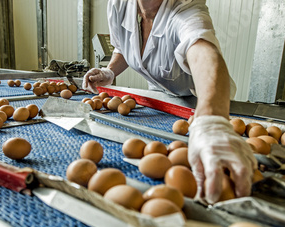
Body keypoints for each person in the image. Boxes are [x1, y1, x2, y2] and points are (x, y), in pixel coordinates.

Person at [83, 0, 257, 204]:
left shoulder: (186, 7)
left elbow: (202, 50)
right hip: (161, 99)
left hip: (204, 99)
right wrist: (110, 71)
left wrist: (212, 120)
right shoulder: (119, 4)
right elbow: (123, 47)